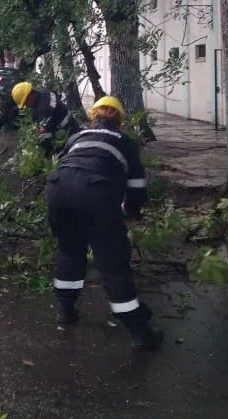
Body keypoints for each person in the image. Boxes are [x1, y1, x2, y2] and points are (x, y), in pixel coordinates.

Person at [45, 95, 163, 351]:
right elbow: (137, 187)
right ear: (119, 120)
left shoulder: (76, 137)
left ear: (93, 117)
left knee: (69, 250)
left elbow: (65, 165)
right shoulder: (127, 143)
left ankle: (65, 309)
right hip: (95, 195)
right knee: (112, 263)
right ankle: (140, 331)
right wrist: (131, 213)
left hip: (57, 191)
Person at [0, 81, 79, 156]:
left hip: (67, 135)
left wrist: (43, 155)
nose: (26, 106)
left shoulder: (41, 111)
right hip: (73, 125)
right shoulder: (45, 93)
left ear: (29, 96)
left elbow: (46, 138)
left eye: (25, 102)